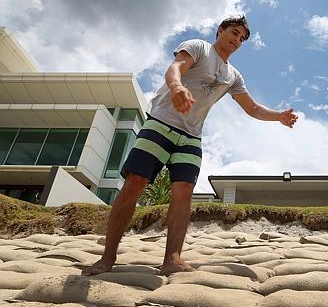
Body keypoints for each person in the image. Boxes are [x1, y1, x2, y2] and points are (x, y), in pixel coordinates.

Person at [83, 15, 298, 276]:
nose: (237, 40)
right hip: (161, 123)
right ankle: (107, 257)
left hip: (191, 136)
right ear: (220, 30)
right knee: (134, 183)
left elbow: (251, 107)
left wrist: (279, 117)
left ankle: (172, 259)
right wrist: (176, 87)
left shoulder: (233, 76)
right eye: (234, 32)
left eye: (242, 38)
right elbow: (175, 68)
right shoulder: (199, 47)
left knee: (184, 192)